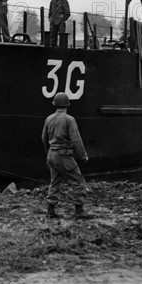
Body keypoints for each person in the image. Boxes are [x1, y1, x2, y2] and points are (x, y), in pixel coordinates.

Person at [41, 92, 89, 220]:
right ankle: (79, 211)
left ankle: (50, 210)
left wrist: (49, 153)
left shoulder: (48, 118)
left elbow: (43, 138)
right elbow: (76, 139)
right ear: (67, 105)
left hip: (52, 154)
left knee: (54, 181)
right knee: (78, 181)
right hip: (64, 154)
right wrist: (83, 155)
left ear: (54, 104)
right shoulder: (69, 119)